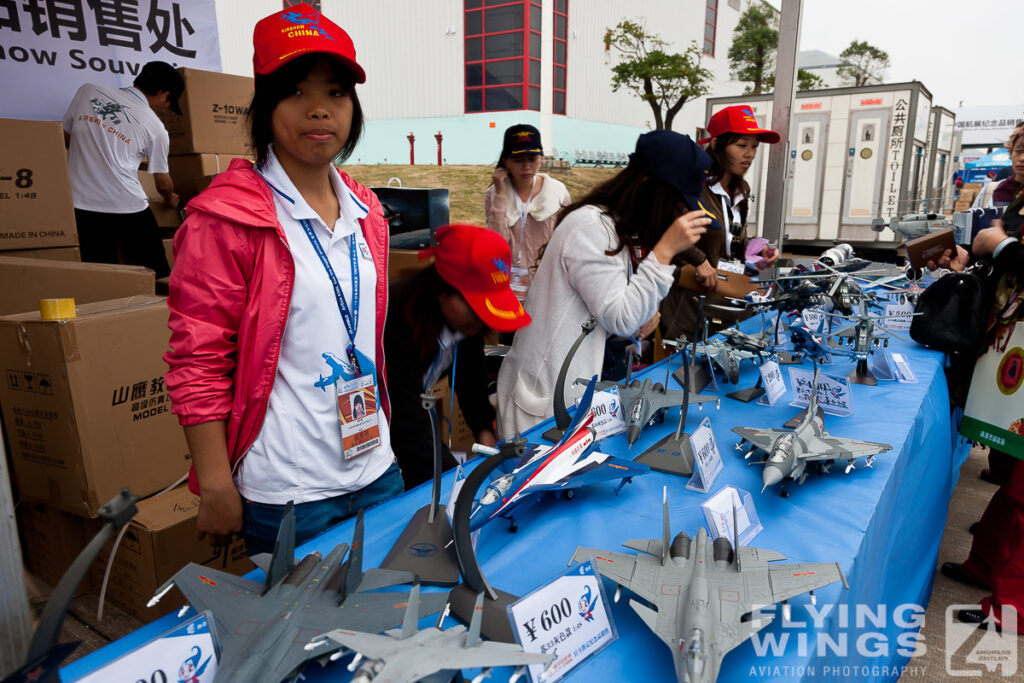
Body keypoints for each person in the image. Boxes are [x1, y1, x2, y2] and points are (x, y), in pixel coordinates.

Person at [164, 3, 402, 554]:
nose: (319, 109)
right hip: (289, 492)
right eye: (296, 91)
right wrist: (217, 483)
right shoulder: (224, 218)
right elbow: (197, 360)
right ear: (266, 104)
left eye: (336, 92)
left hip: (378, 470)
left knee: (390, 624)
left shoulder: (367, 212)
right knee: (304, 640)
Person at [496, 130, 710, 438]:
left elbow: (603, 311)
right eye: (676, 209)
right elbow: (621, 317)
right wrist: (664, 252)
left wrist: (635, 317)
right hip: (543, 406)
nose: (674, 221)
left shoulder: (608, 225)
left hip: (562, 394)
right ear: (649, 188)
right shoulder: (591, 228)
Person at [933, 137, 1024, 632]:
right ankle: (986, 567)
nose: (1023, 157)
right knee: (1011, 479)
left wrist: (1004, 246)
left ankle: (1013, 608)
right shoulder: (1018, 197)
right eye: (1021, 146)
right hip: (1013, 360)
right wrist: (974, 262)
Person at [385, 224, 531, 489]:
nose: (481, 321)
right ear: (442, 291)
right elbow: (408, 426)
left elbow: (471, 384)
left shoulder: (464, 324)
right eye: (476, 309)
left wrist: (486, 437)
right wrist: (459, 485)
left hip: (409, 425)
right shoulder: (396, 321)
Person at [660, 105, 781, 341]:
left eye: (754, 146)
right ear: (716, 144)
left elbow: (733, 241)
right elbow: (664, 229)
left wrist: (758, 251)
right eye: (741, 145)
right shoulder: (691, 185)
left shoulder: (741, 191)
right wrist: (698, 259)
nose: (750, 154)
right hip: (688, 309)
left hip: (727, 304)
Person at [63, 61, 183, 277]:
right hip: (129, 208)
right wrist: (171, 198)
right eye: (168, 103)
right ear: (164, 94)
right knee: (158, 275)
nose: (164, 109)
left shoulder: (88, 91)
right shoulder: (156, 127)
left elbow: (66, 137)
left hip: (80, 206)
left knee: (102, 277)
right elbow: (163, 183)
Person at [484, 124, 571, 299]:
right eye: (518, 160)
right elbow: (495, 245)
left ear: (540, 158)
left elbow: (569, 243)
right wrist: (500, 194)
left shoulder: (557, 192)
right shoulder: (494, 194)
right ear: (506, 161)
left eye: (532, 159)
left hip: (551, 287)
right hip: (509, 288)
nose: (526, 167)